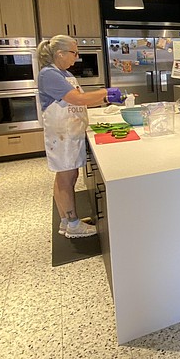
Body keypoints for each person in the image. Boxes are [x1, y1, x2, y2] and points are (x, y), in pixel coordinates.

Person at [37, 35, 125, 238]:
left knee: (66, 176)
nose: (76, 58)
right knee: (67, 177)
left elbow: (78, 100)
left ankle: (67, 221)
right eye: (74, 53)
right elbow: (77, 98)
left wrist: (104, 98)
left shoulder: (62, 73)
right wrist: (106, 93)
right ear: (60, 53)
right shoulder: (49, 74)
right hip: (62, 135)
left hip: (69, 132)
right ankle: (74, 226)